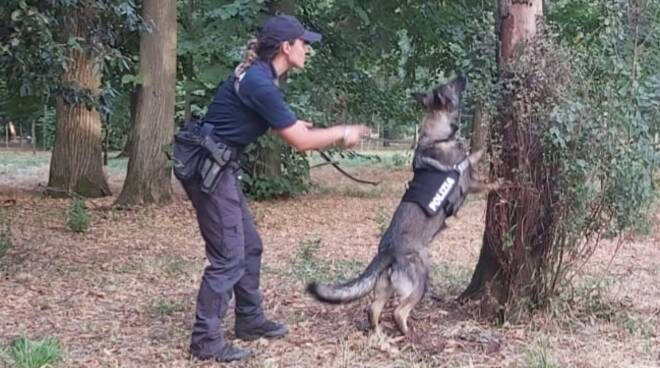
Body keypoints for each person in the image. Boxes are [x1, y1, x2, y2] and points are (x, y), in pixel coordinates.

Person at [180, 14, 370, 362]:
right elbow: (300, 142)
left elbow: (253, 116)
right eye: (304, 43)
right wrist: (343, 134)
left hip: (219, 164)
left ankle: (249, 319)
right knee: (228, 257)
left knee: (249, 247)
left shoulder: (261, 77)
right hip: (209, 168)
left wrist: (292, 123)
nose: (308, 49)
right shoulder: (261, 82)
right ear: (286, 47)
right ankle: (205, 341)